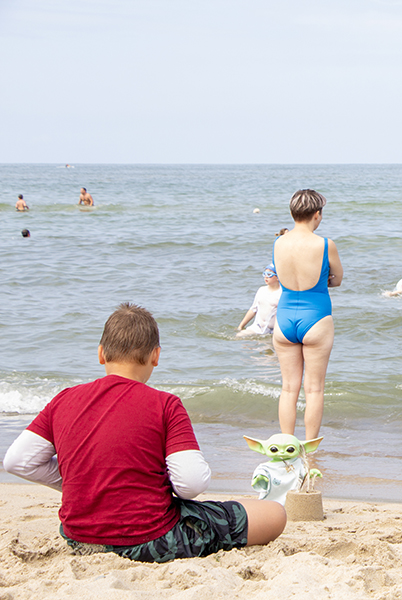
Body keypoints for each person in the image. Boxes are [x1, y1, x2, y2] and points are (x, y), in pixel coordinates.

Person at [2, 303, 286, 562]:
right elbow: (191, 484)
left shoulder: (64, 399)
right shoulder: (165, 405)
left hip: (78, 538)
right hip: (152, 540)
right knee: (274, 514)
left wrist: (87, 480)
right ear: (156, 356)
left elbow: (17, 461)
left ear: (101, 353)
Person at [273, 189, 343, 439]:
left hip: (283, 320)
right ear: (317, 215)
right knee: (313, 390)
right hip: (316, 318)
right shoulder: (325, 244)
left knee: (288, 389)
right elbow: (337, 281)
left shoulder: (278, 242)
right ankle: (310, 453)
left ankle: (285, 449)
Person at [236, 265, 282, 338]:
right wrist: (241, 326)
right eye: (264, 274)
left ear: (278, 277)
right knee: (239, 336)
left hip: (273, 331)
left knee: (267, 347)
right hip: (257, 327)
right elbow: (253, 309)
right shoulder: (261, 290)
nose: (266, 277)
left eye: (269, 275)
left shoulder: (282, 293)